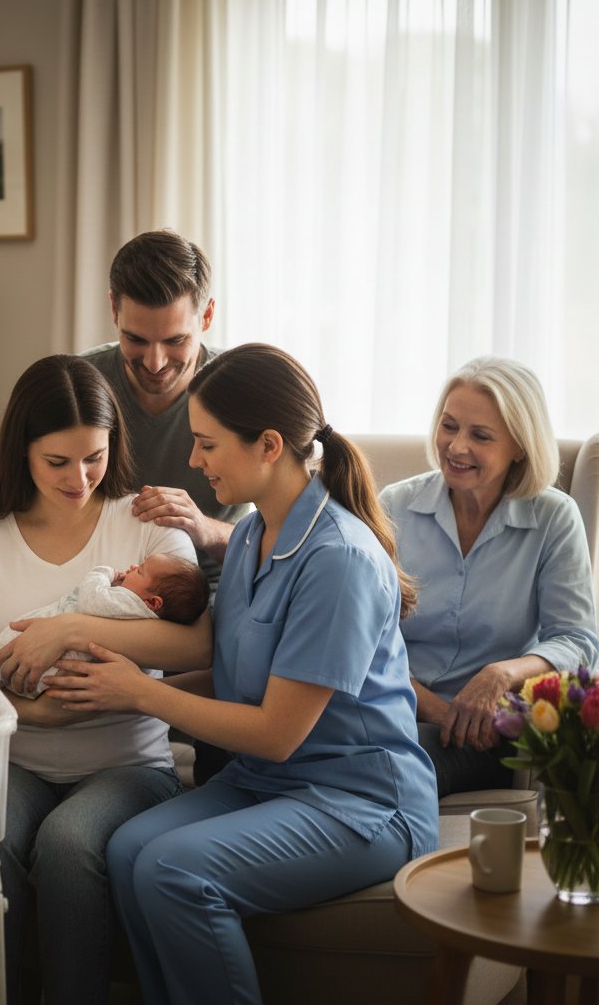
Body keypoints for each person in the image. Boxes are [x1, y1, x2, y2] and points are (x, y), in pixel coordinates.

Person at [44, 343, 439, 1005]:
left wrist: (143, 692)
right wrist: (110, 688)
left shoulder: (338, 559)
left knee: (171, 869)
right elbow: (230, 678)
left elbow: (279, 730)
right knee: (126, 848)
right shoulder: (254, 535)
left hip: (360, 802)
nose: (194, 461)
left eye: (206, 444)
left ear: (269, 445)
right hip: (265, 783)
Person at [0, 354, 210, 1005]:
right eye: (58, 461)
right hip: (14, 751)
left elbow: (196, 639)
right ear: (21, 449)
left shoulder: (144, 520)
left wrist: (67, 632)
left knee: (67, 845)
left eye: (94, 457)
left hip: (126, 759)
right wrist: (32, 715)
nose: (80, 478)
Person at [0, 229, 249, 783]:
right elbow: (26, 478)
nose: (154, 362)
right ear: (112, 311)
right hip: (107, 591)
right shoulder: (82, 383)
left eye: (175, 341)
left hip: (215, 598)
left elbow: (295, 523)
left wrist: (207, 529)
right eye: (136, 339)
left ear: (207, 317)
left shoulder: (235, 394)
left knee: (231, 758)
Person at [380, 356, 599, 797]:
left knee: (381, 767)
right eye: (449, 426)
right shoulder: (394, 506)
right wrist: (436, 710)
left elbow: (577, 641)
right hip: (393, 708)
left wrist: (499, 674)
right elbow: (366, 637)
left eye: (480, 435)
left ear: (519, 445)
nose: (456, 447)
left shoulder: (554, 518)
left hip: (486, 731)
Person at [0, 552, 209, 699]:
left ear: (152, 602)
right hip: (45, 675)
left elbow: (91, 600)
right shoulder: (146, 620)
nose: (131, 567)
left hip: (42, 664)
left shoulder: (129, 604)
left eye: (140, 570)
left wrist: (104, 573)